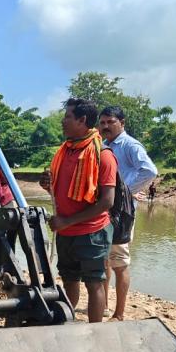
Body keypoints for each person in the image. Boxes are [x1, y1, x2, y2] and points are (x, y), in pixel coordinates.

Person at [40, 98, 116, 323]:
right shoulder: (65, 151)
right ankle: (67, 322)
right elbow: (63, 190)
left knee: (94, 283)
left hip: (92, 233)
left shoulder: (103, 155)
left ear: (82, 120)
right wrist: (48, 186)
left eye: (68, 117)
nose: (63, 121)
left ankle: (94, 332)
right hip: (66, 232)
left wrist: (67, 221)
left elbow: (107, 201)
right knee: (69, 280)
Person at [98, 106, 158, 321]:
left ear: (122, 123)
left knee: (119, 263)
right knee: (103, 260)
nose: (105, 126)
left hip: (122, 213)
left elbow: (150, 170)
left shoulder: (129, 145)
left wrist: (124, 192)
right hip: (104, 210)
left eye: (110, 122)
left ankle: (119, 313)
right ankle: (103, 305)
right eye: (102, 122)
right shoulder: (104, 145)